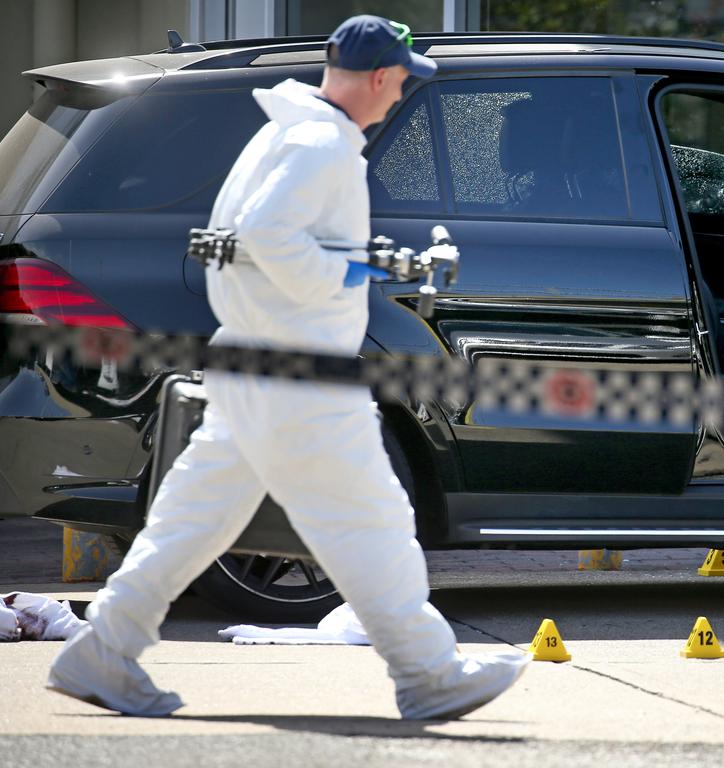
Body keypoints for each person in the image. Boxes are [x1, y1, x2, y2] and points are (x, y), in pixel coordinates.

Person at [46, 15, 529, 720]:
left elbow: (239, 245)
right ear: (375, 77)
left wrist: (344, 263)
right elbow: (270, 239)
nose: (398, 100)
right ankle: (429, 673)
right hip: (297, 373)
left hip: (254, 362)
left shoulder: (282, 134)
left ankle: (102, 651)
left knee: (191, 522)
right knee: (373, 518)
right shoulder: (322, 146)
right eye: (398, 84)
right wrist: (339, 277)